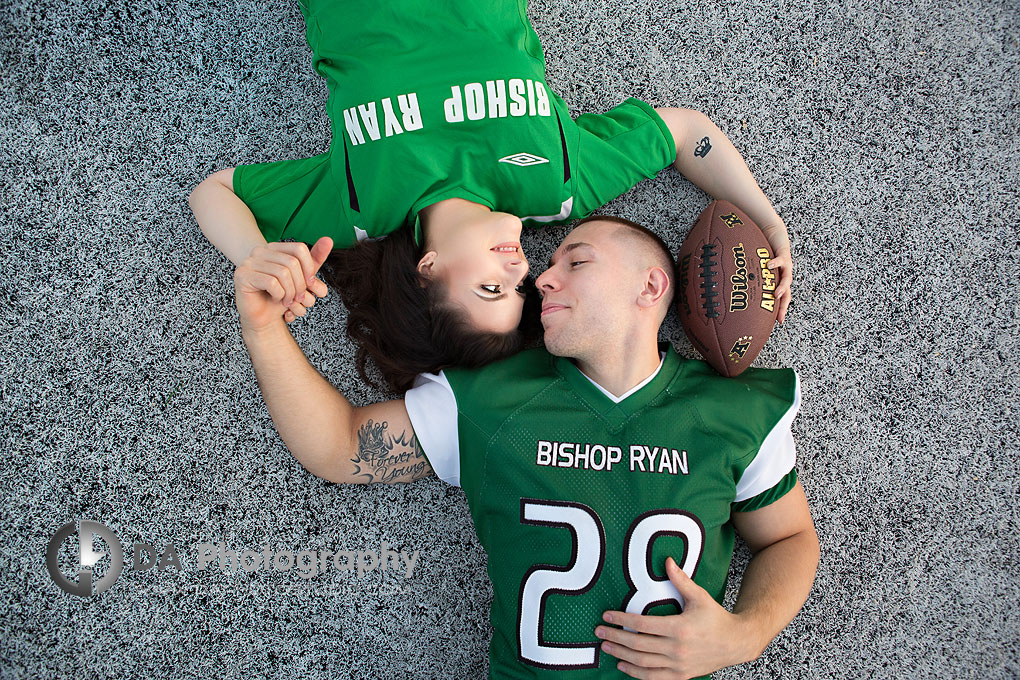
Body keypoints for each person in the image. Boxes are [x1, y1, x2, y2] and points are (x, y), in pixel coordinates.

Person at [231, 215, 819, 679]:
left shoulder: (733, 411)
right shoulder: (492, 400)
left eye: (577, 260)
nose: (542, 277)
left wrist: (746, 634)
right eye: (549, 264)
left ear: (651, 285)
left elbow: (789, 538)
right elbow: (340, 448)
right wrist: (262, 328)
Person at [189, 0, 794, 392]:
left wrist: (250, 253)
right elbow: (688, 133)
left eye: (490, 287)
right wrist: (766, 220)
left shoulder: (355, 211)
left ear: (427, 270)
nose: (522, 266)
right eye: (519, 287)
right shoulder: (558, 188)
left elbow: (213, 192)